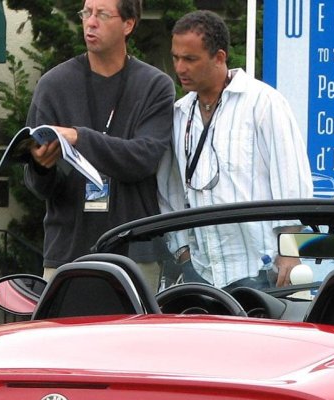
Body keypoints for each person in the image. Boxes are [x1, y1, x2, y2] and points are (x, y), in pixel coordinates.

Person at [156, 10, 313, 287]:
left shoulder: (263, 103)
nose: (180, 68)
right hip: (202, 273)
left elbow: (294, 185)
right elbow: (170, 191)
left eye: (190, 59)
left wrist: (290, 253)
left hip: (261, 270)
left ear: (219, 57)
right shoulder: (180, 114)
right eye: (176, 58)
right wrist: (183, 254)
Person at [22, 0, 174, 285]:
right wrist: (42, 168)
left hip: (136, 255)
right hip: (68, 255)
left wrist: (79, 138)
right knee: (65, 332)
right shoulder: (53, 85)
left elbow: (143, 159)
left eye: (102, 14)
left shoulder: (155, 85)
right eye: (86, 13)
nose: (90, 22)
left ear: (128, 24)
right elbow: (39, 188)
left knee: (138, 331)